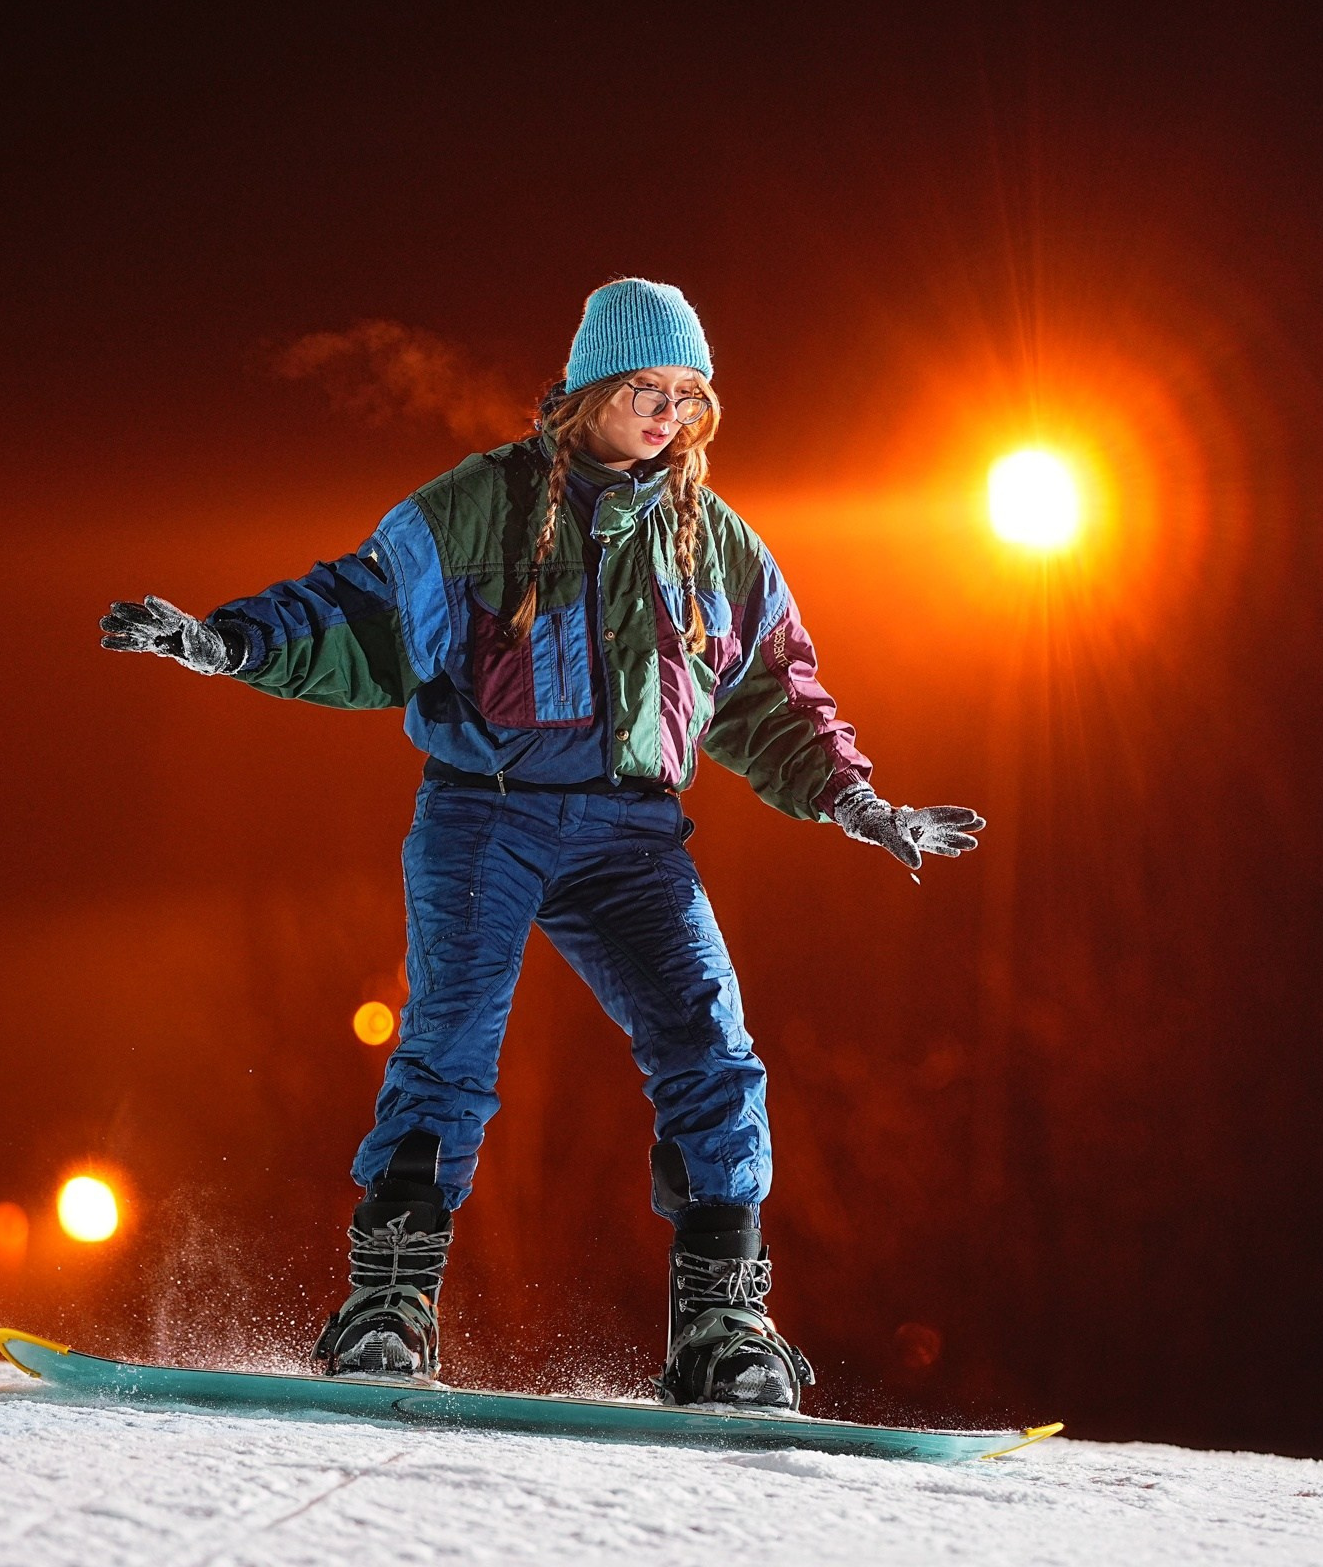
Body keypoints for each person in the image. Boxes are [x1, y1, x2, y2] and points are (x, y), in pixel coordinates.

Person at [101, 278, 983, 1409]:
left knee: (712, 1046)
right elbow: (359, 612)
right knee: (452, 1043)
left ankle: (722, 1325)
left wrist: (860, 801)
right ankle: (390, 1304)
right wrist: (225, 641)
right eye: (644, 390)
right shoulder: (483, 506)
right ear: (586, 391)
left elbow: (773, 697)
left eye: (686, 396)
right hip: (490, 810)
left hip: (634, 834)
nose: (666, 415)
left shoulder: (713, 543)